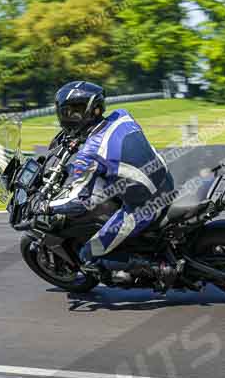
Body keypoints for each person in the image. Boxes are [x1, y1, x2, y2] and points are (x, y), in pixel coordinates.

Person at [31, 81, 174, 273]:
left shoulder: (90, 153)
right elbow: (112, 150)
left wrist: (45, 206)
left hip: (145, 207)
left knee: (89, 255)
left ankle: (158, 268)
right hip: (165, 181)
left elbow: (78, 202)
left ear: (87, 111)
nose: (66, 117)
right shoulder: (122, 116)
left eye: (71, 111)